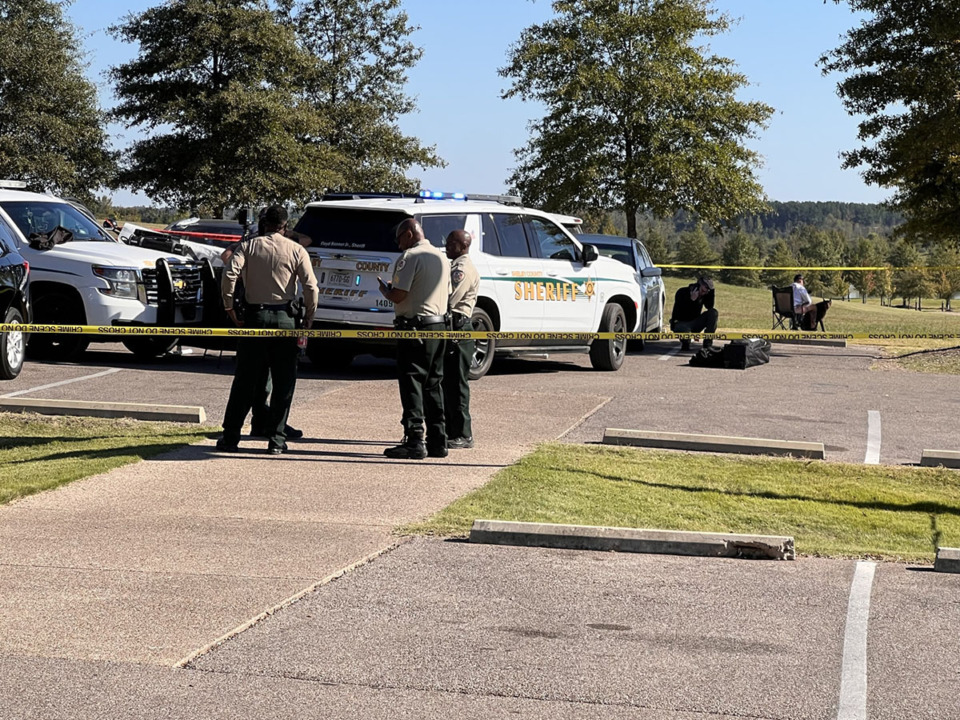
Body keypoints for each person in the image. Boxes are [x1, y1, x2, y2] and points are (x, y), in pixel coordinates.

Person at [216, 205, 318, 454]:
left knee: (245, 381)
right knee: (284, 382)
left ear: (263, 224)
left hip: (255, 317)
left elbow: (230, 274)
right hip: (285, 318)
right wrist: (309, 318)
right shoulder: (296, 249)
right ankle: (277, 439)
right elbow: (311, 287)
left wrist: (229, 306)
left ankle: (230, 438)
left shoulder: (249, 246)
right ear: (285, 225)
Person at [379, 218, 451, 460]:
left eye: (399, 238)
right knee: (433, 384)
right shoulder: (441, 257)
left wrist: (386, 291)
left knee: (412, 384)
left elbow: (399, 296)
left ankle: (414, 440)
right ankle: (438, 440)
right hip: (438, 326)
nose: (398, 245)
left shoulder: (410, 257)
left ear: (409, 234)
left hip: (414, 329)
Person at [443, 229, 480, 450]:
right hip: (451, 327)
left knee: (457, 385)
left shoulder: (462, 269)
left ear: (463, 245)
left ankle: (463, 434)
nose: (446, 246)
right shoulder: (455, 265)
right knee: (448, 383)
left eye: (451, 243)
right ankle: (450, 430)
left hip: (458, 327)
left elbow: (450, 299)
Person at [670, 276, 718, 351]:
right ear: (697, 286)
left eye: (706, 292)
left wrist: (711, 293)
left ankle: (707, 344)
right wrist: (691, 300)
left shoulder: (704, 295)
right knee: (685, 331)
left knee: (713, 313)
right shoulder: (682, 292)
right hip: (681, 322)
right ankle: (685, 343)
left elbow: (709, 306)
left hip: (695, 322)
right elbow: (682, 311)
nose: (704, 293)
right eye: (702, 290)